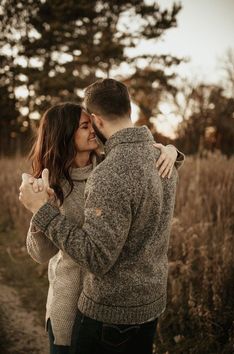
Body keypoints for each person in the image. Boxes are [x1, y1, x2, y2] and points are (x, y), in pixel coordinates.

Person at [19, 79, 184, 354]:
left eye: (90, 123)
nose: (93, 129)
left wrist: (172, 152)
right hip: (70, 302)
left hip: (104, 306)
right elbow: (40, 253)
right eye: (84, 127)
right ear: (64, 135)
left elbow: (139, 166)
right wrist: (41, 209)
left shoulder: (107, 169)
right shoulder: (52, 183)